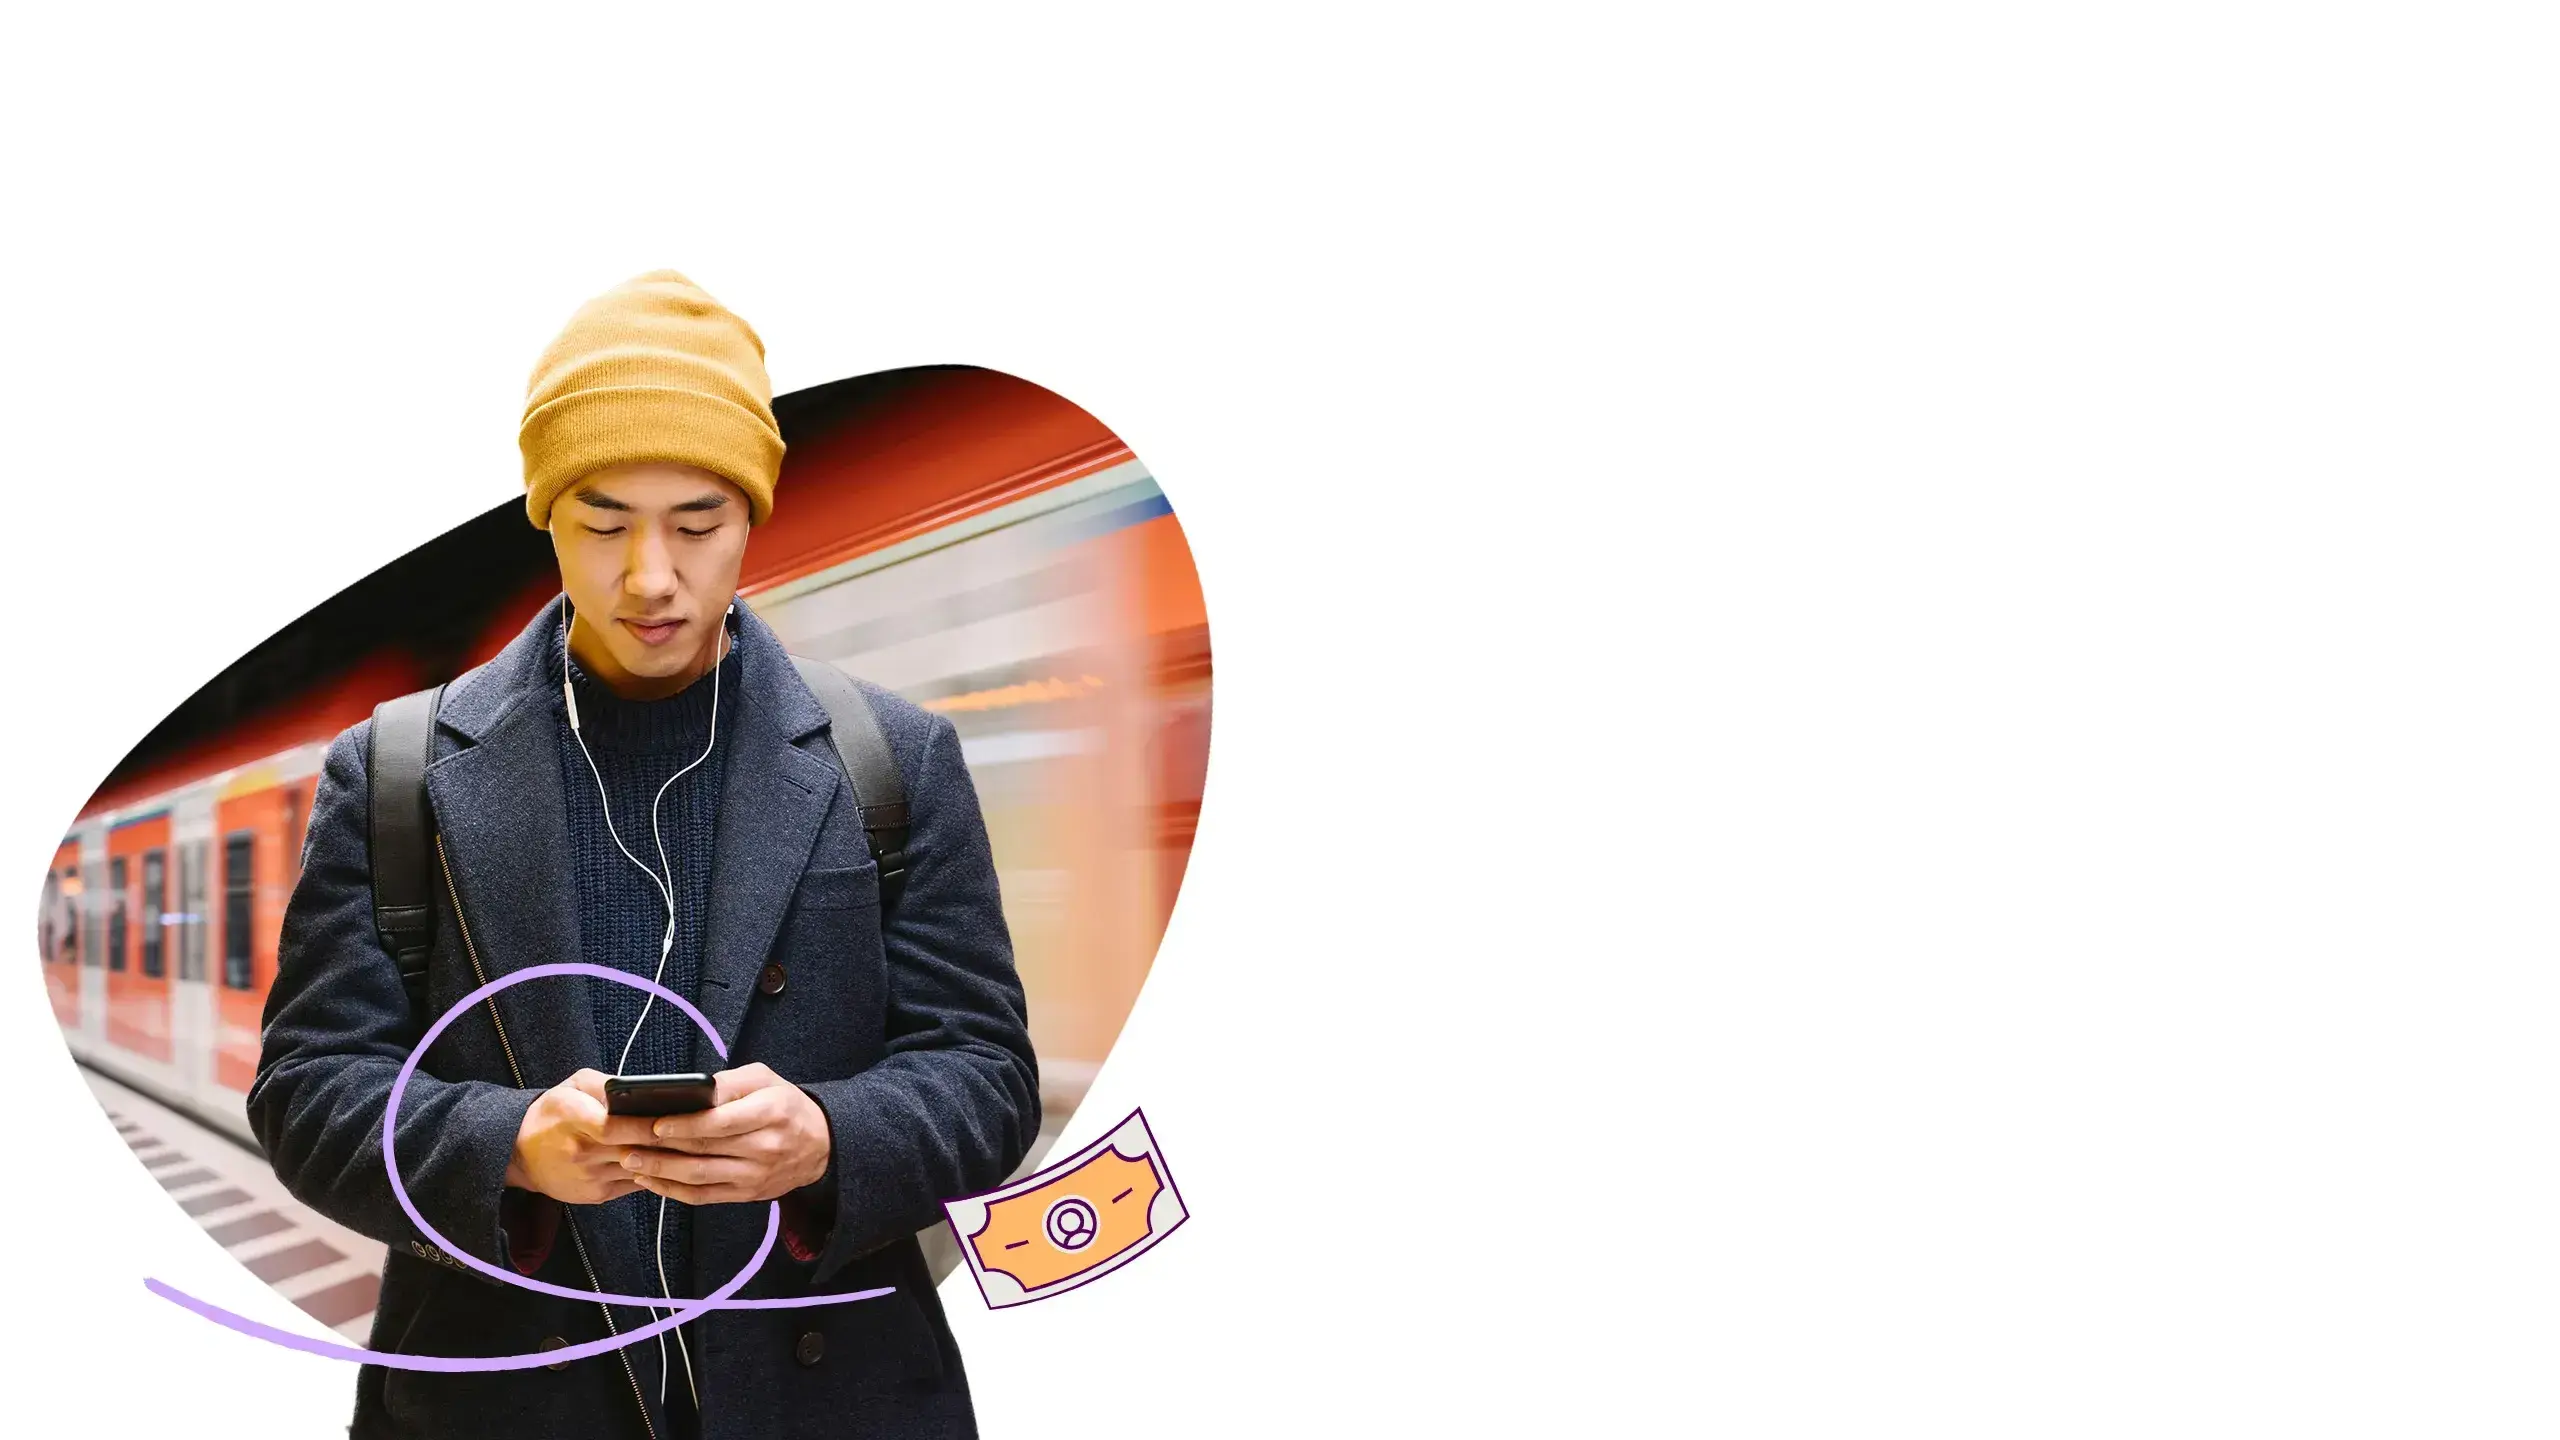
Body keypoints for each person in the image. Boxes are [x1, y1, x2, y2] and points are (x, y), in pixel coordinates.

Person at [250, 271, 1041, 1440]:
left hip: (829, 1396)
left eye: (697, 523)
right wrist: (505, 1147)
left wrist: (827, 1138)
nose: (651, 576)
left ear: (754, 515)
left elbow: (986, 1074)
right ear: (547, 519)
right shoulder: (398, 772)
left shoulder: (895, 758)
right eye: (604, 523)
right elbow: (308, 1093)